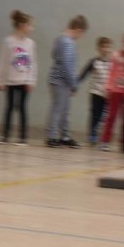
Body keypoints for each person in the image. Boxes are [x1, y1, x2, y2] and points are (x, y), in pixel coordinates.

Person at [46, 15, 89, 148]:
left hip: (59, 80)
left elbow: (54, 55)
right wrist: (73, 84)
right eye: (81, 33)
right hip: (61, 81)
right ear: (78, 30)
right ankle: (52, 136)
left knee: (64, 109)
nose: (80, 36)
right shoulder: (68, 42)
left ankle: (65, 135)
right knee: (59, 109)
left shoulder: (60, 39)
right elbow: (66, 65)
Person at [0, 10, 36, 146]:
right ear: (22, 25)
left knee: (22, 108)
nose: (32, 28)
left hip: (24, 81)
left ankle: (23, 137)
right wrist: (0, 80)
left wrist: (31, 80)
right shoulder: (8, 41)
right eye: (30, 25)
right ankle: (5, 136)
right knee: (10, 107)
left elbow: (32, 63)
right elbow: (3, 61)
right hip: (10, 80)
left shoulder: (30, 43)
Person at [78, 36, 113, 145]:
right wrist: (76, 83)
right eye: (103, 47)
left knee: (105, 116)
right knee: (95, 114)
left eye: (107, 47)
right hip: (96, 92)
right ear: (98, 48)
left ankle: (102, 135)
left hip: (108, 94)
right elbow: (84, 73)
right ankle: (92, 134)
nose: (105, 49)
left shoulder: (113, 63)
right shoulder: (94, 61)